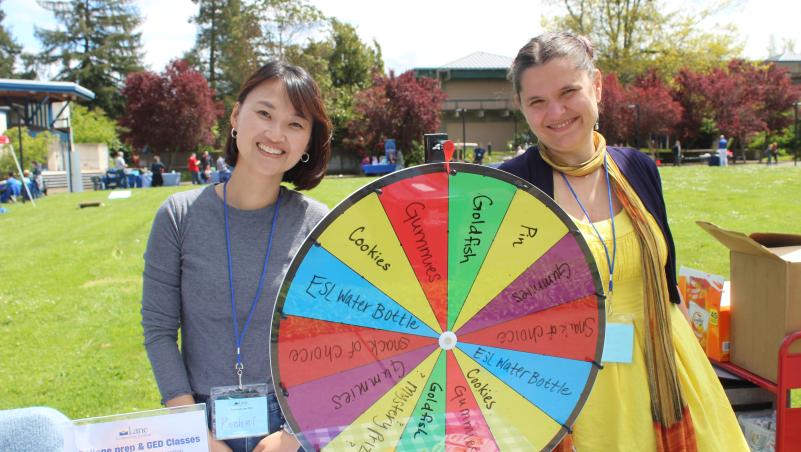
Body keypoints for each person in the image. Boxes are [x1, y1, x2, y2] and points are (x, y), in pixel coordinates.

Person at [499, 32, 747, 452]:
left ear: (596, 86)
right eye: (537, 102)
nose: (555, 112)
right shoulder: (509, 187)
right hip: (571, 384)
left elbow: (667, 283)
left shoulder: (639, 169)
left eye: (568, 92)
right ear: (522, 107)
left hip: (664, 370)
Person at [142, 61, 331, 452]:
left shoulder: (320, 225)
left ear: (308, 140)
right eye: (264, 113)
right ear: (235, 115)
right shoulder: (178, 216)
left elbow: (340, 336)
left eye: (295, 124)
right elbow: (159, 331)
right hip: (198, 420)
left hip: (290, 427)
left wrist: (294, 435)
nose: (275, 134)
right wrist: (194, 432)